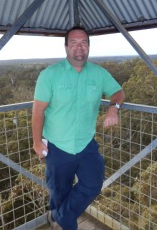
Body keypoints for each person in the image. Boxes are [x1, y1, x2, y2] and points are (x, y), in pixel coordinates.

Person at [32, 26, 125, 230]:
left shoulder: (99, 73)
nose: (79, 47)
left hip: (86, 144)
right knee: (59, 191)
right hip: (57, 145)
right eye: (73, 42)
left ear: (89, 46)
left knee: (93, 183)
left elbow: (118, 92)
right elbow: (38, 111)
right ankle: (63, 223)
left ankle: (57, 217)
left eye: (83, 42)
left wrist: (113, 109)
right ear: (66, 47)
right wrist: (37, 142)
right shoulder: (50, 75)